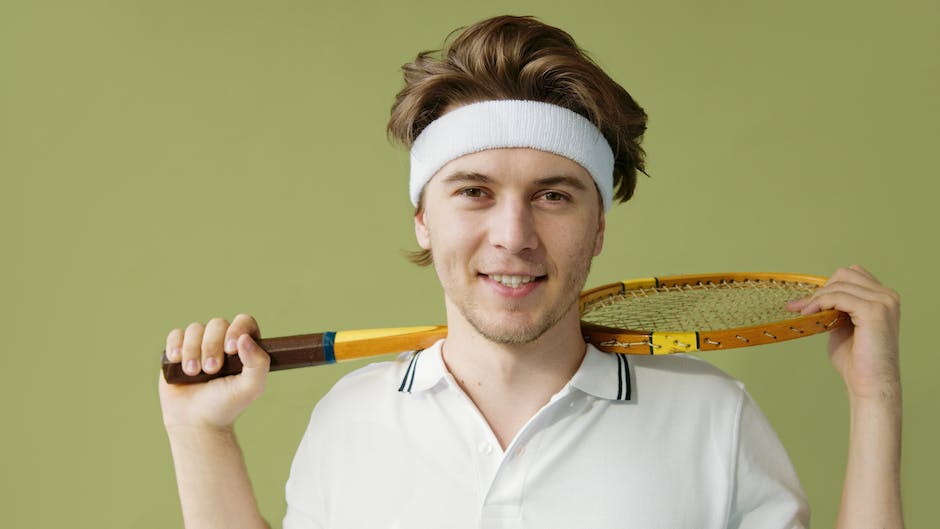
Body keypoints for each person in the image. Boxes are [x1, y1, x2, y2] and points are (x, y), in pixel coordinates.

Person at [158, 15, 903, 529]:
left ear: (599, 224)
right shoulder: (348, 421)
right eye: (474, 192)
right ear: (423, 216)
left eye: (553, 195)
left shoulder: (715, 420)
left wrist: (875, 398)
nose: (513, 236)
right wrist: (199, 434)